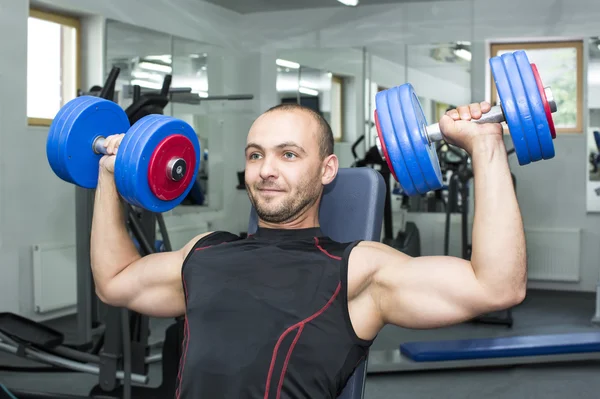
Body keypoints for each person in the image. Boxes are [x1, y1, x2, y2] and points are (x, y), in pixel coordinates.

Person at [91, 100, 526, 399]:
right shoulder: (205, 253)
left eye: (289, 154)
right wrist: (109, 175)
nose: (266, 171)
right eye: (256, 155)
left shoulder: (356, 269)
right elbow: (114, 282)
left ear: (327, 169)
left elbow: (496, 286)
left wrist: (483, 144)